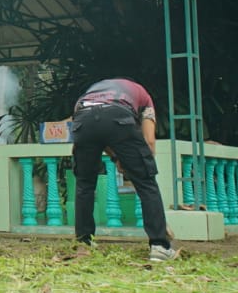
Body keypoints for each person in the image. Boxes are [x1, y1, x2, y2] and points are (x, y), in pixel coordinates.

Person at [69, 78, 178, 261]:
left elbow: (99, 131)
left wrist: (118, 157)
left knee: (85, 184)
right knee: (147, 183)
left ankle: (83, 244)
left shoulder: (91, 91)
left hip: (83, 118)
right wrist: (139, 169)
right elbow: (149, 141)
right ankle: (159, 245)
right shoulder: (144, 97)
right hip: (118, 116)